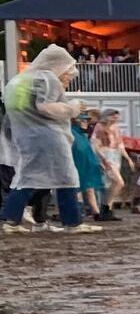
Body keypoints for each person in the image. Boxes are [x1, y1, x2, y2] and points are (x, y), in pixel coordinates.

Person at [0, 47, 100, 234]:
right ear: (59, 65)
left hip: (26, 137)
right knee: (67, 177)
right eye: (68, 72)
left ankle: (10, 220)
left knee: (26, 178)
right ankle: (72, 223)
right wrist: (72, 108)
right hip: (50, 138)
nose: (68, 78)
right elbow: (46, 107)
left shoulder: (18, 81)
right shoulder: (48, 78)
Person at [90, 109, 127, 219]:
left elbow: (120, 144)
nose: (116, 119)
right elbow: (94, 144)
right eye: (113, 116)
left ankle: (107, 210)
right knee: (118, 182)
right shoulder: (99, 127)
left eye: (116, 117)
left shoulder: (116, 128)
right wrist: (102, 158)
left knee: (111, 184)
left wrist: (127, 158)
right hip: (105, 155)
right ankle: (105, 207)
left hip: (115, 155)